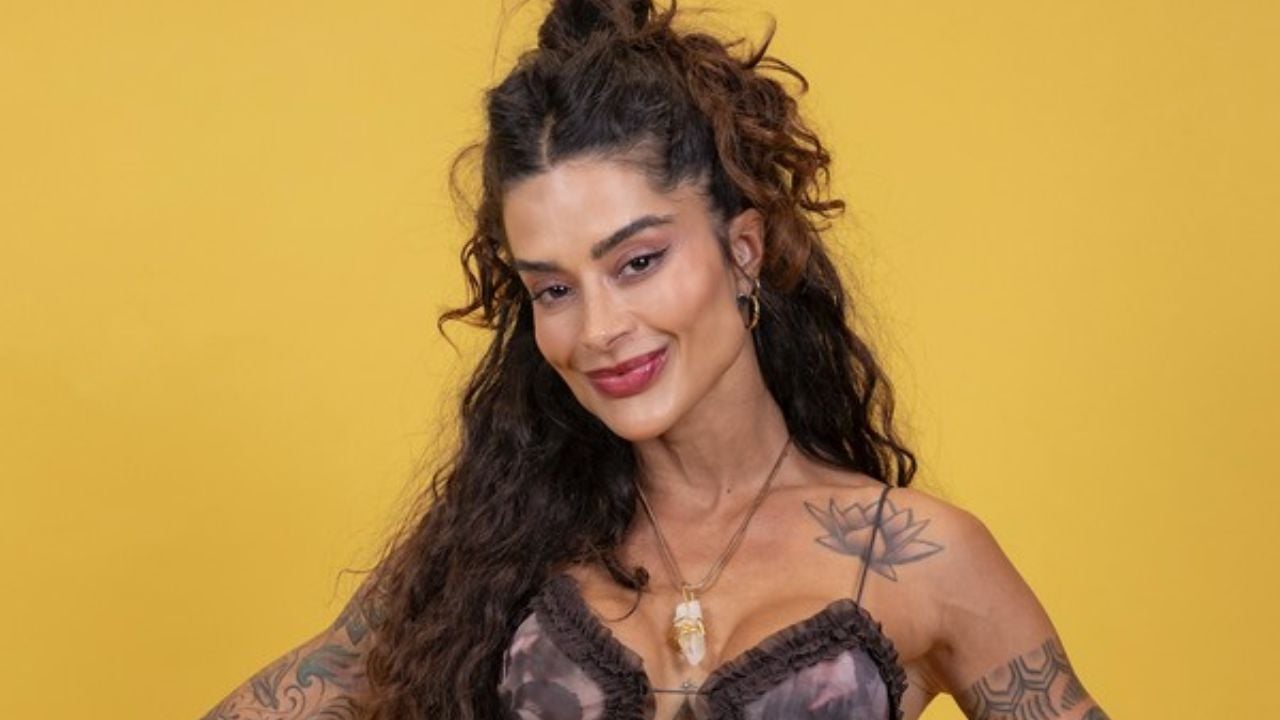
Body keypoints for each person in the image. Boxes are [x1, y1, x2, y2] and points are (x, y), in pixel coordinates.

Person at [201, 1, 1109, 719]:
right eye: (553, 289)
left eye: (638, 262)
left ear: (742, 250)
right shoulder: (492, 549)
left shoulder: (922, 559)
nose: (599, 328)